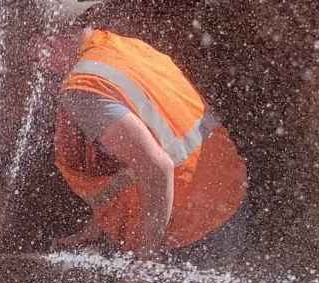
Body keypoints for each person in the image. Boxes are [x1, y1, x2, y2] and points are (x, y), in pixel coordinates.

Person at [46, 0, 249, 263]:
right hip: (230, 206)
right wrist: (97, 229)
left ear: (46, 40)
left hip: (191, 234)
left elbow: (158, 167)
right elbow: (141, 152)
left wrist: (143, 266)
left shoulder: (83, 90)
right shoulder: (126, 48)